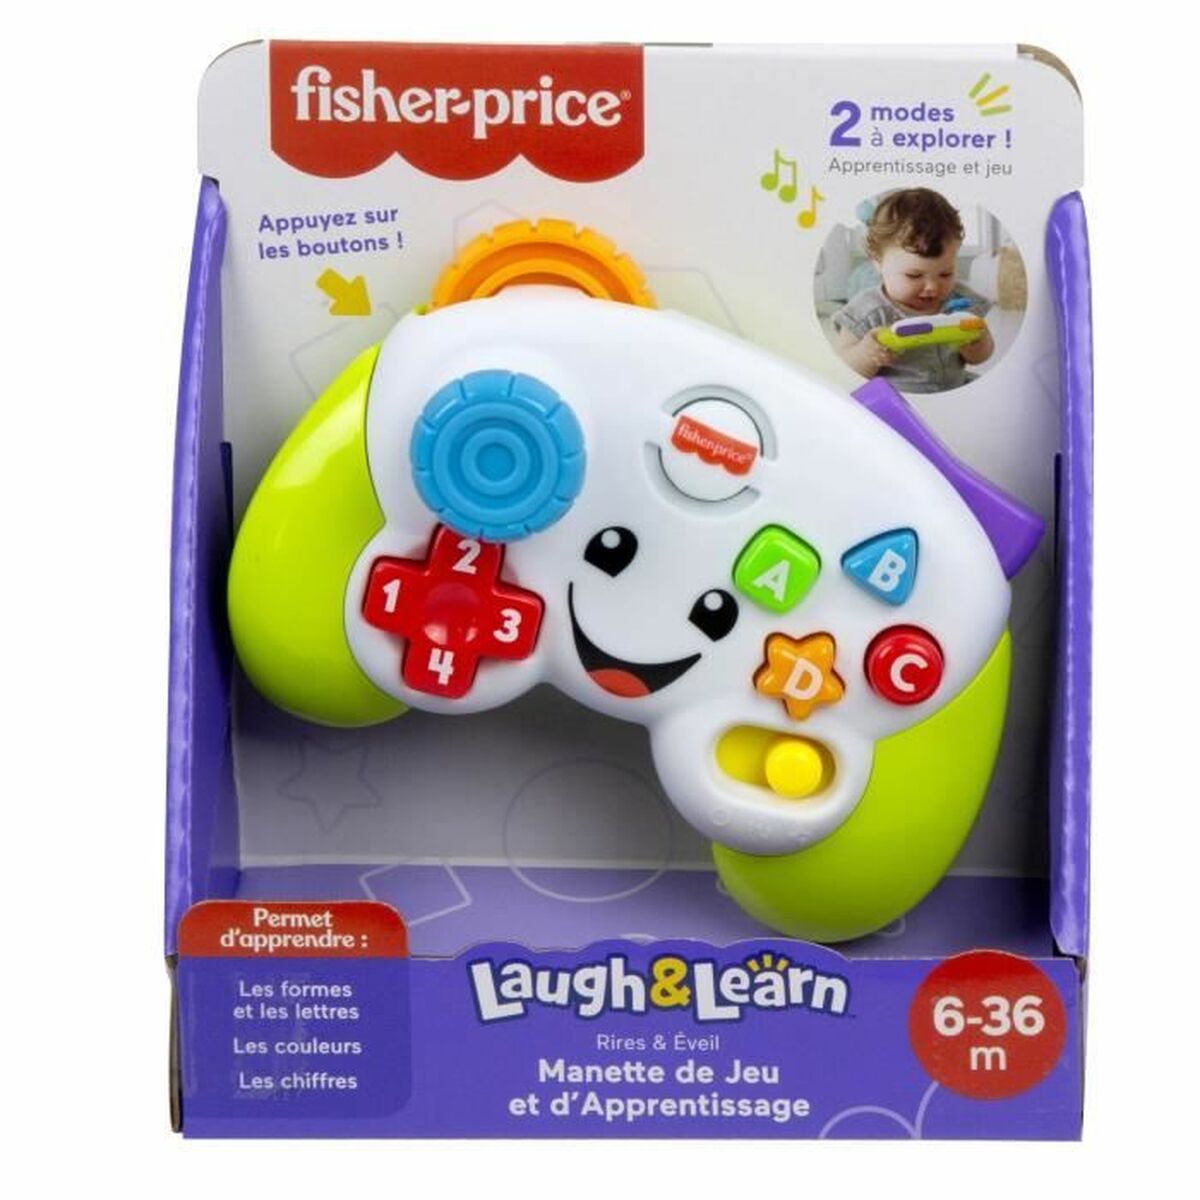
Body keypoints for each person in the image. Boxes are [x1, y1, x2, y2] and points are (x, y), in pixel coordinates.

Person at [832, 189, 994, 393]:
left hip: (954, 391)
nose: (932, 287)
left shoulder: (962, 303)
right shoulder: (867, 311)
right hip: (896, 399)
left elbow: (980, 357)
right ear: (878, 263)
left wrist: (977, 344)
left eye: (945, 274)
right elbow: (844, 368)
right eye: (914, 276)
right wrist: (866, 354)